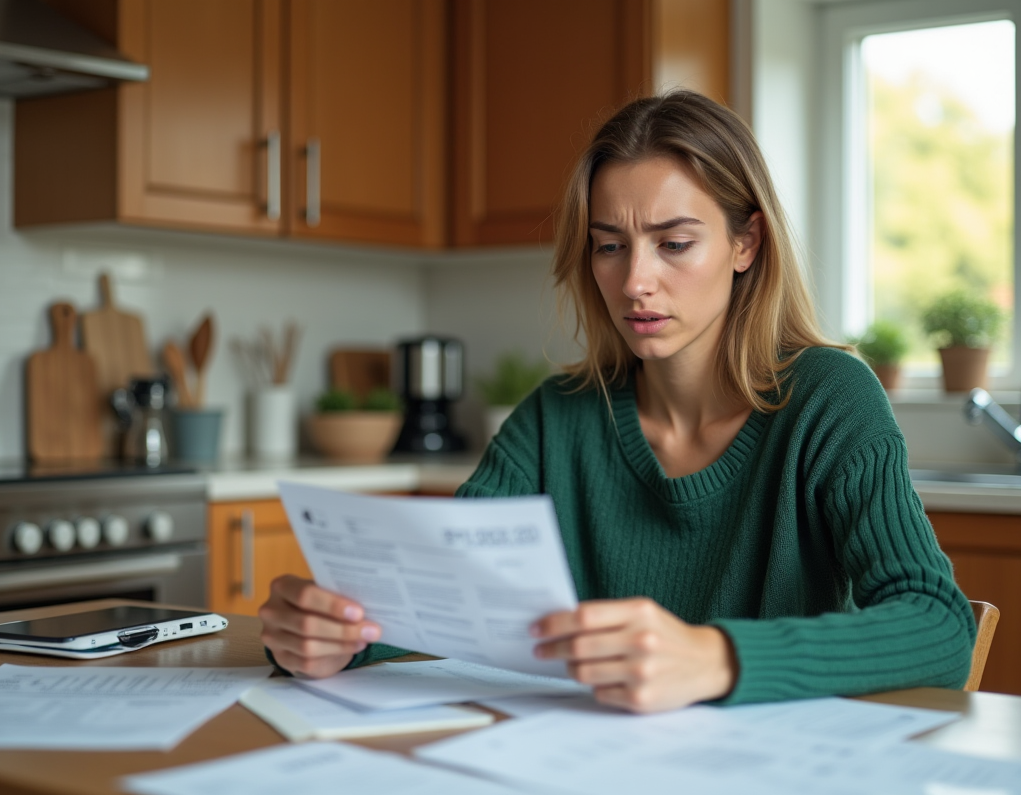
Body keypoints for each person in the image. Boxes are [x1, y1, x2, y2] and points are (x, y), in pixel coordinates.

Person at [259, 90, 976, 713]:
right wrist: (333, 638)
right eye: (610, 246)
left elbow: (940, 627)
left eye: (673, 243)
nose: (635, 280)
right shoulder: (555, 418)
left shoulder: (830, 399)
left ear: (746, 242)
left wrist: (715, 658)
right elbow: (445, 608)